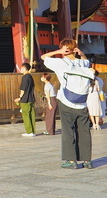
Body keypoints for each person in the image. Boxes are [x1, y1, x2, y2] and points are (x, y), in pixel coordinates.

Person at [41, 39, 96, 169]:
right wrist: (81, 53)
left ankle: (71, 161)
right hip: (82, 102)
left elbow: (43, 57)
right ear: (75, 49)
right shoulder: (82, 63)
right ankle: (87, 161)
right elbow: (87, 61)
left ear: (64, 49)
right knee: (84, 131)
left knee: (68, 131)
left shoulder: (60, 63)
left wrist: (58, 52)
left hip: (67, 101)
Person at [14, 61, 37, 137]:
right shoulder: (30, 77)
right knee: (31, 115)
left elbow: (23, 89)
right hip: (31, 98)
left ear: (24, 68)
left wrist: (19, 98)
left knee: (26, 115)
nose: (21, 69)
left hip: (25, 99)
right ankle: (32, 131)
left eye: (21, 68)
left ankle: (29, 131)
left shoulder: (25, 77)